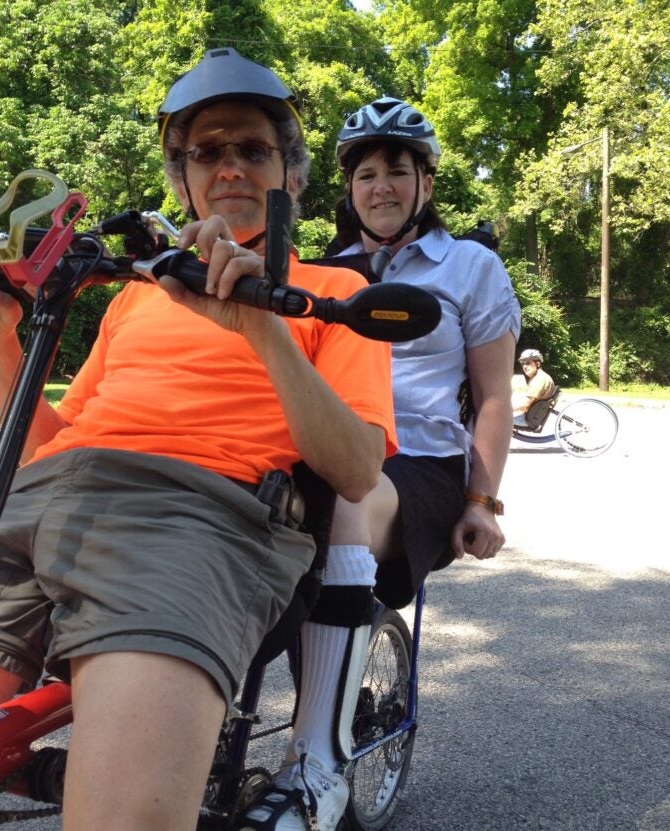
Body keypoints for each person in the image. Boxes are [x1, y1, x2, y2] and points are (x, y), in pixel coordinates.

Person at [0, 49, 398, 831]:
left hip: (192, 518)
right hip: (33, 507)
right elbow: (47, 447)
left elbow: (357, 468)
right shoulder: (134, 298)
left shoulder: (335, 293)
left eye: (254, 149)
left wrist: (266, 332)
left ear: (291, 176)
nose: (230, 165)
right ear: (184, 181)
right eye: (207, 152)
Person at [237, 96, 521, 831]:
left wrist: (481, 502)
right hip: (327, 451)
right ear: (348, 187)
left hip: (417, 468)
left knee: (350, 506)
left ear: (426, 181)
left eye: (399, 170)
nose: (382, 187)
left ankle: (317, 763)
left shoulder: (472, 267)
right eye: (367, 174)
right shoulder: (320, 273)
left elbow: (493, 397)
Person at [512, 348, 555, 426]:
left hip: (529, 419)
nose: (524, 366)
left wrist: (505, 410)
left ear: (538, 364)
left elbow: (525, 403)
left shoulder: (539, 379)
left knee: (498, 417)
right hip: (533, 415)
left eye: (528, 363)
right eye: (523, 364)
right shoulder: (540, 376)